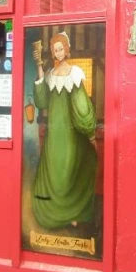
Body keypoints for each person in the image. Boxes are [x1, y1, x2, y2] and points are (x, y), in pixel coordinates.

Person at [31, 31, 98, 229]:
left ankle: (74, 213)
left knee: (67, 171)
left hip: (70, 134)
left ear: (66, 50)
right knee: (54, 171)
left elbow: (82, 106)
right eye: (54, 50)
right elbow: (41, 102)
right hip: (54, 135)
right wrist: (40, 68)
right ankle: (54, 216)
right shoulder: (50, 74)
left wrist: (89, 130)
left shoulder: (74, 73)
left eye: (60, 49)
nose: (58, 52)